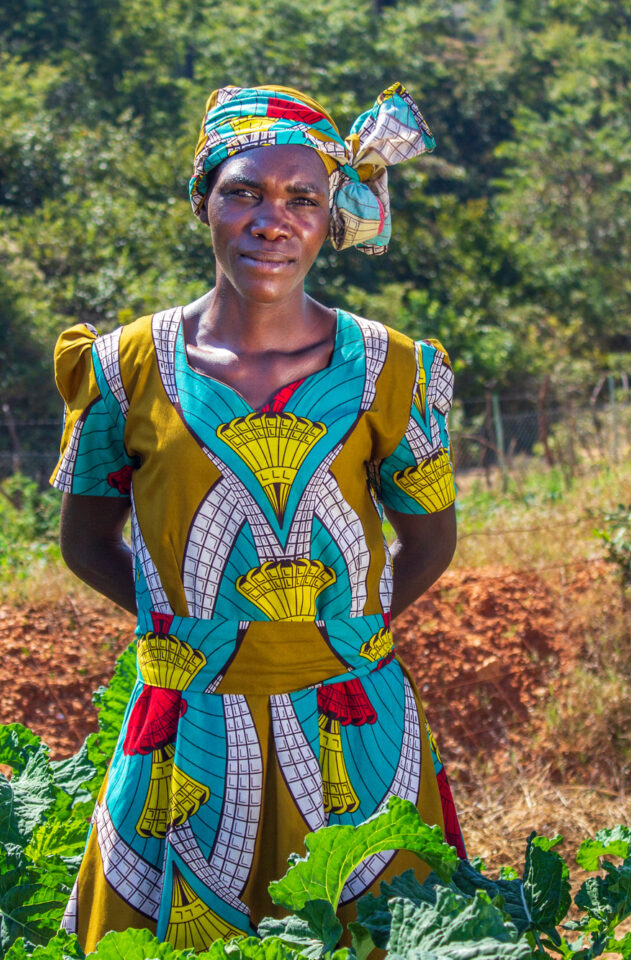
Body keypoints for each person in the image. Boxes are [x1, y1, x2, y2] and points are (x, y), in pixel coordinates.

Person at [50, 83, 462, 952]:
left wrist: (340, 636)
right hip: (185, 723)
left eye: (301, 198)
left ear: (331, 219)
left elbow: (430, 540)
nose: (271, 221)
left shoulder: (390, 369)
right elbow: (86, 542)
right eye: (244, 192)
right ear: (204, 201)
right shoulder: (125, 369)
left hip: (351, 724)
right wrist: (188, 633)